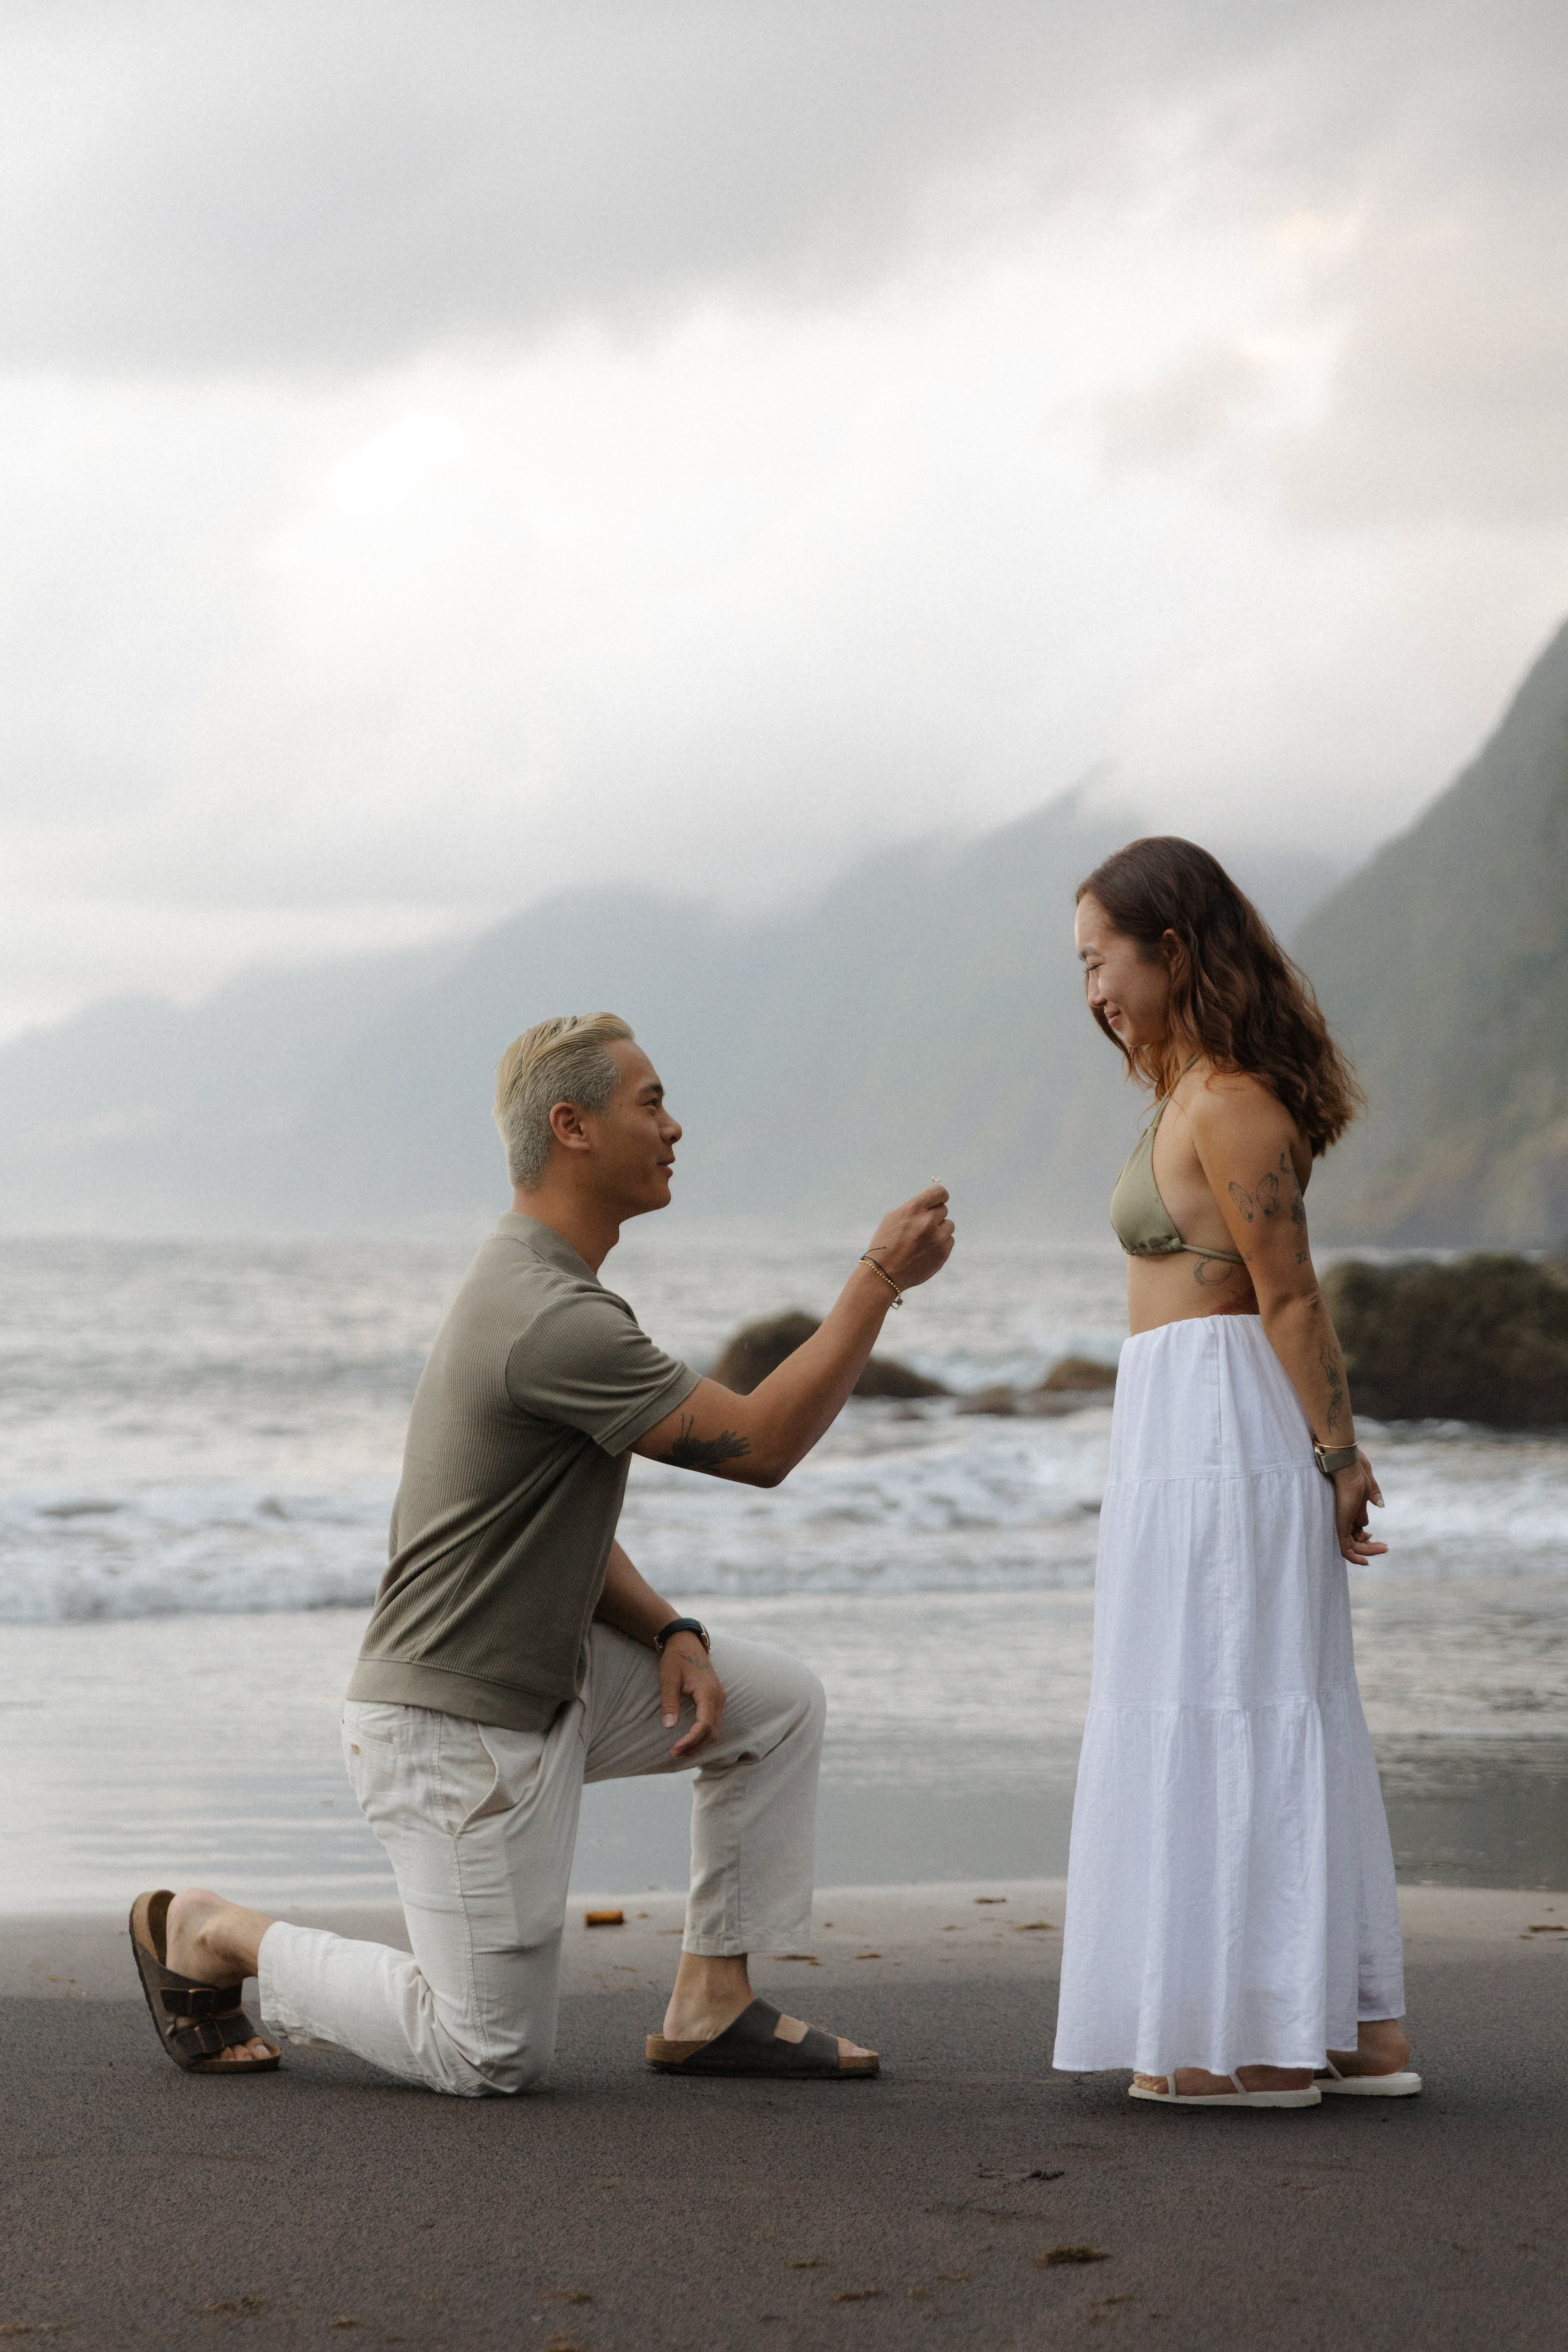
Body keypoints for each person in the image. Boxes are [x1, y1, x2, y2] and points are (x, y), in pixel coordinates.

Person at [130, 1012, 953, 2092]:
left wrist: (669, 1630)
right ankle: (211, 1932)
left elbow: (547, 1519)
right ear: (571, 1127)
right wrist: (877, 1281)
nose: (674, 1127)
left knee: (772, 1706)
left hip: (548, 1680)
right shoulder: (547, 1314)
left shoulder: (550, 1288)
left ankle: (714, 2001)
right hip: (450, 1728)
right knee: (488, 2053)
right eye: (650, 1102)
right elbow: (760, 1447)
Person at [1052, 840, 1420, 2109]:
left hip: (1223, 1436)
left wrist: (1337, 1456)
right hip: (1178, 1435)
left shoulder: (1231, 1103)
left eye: (1101, 957)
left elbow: (1289, 1295)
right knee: (1228, 1694)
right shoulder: (1190, 1092)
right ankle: (1346, 2033)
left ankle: (1255, 2047)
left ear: (1171, 948)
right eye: (1082, 966)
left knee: (1230, 1697)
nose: (1091, 987)